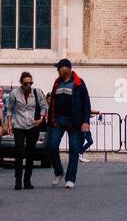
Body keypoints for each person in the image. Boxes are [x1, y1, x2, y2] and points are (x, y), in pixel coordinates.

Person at [47, 58, 90, 189]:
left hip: (74, 122)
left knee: (74, 150)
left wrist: (85, 121)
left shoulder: (79, 83)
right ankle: (59, 171)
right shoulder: (57, 83)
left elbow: (86, 104)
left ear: (66, 68)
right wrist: (50, 121)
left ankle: (71, 179)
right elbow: (52, 102)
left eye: (58, 68)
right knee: (52, 145)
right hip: (58, 120)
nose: (57, 70)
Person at [5, 71, 46, 190]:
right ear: (21, 83)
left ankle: (27, 180)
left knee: (30, 153)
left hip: (32, 126)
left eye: (30, 83)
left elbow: (44, 106)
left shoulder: (36, 92)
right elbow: (9, 110)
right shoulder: (14, 93)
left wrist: (41, 119)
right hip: (19, 126)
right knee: (19, 153)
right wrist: (9, 124)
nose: (28, 85)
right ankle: (18, 180)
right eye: (26, 83)